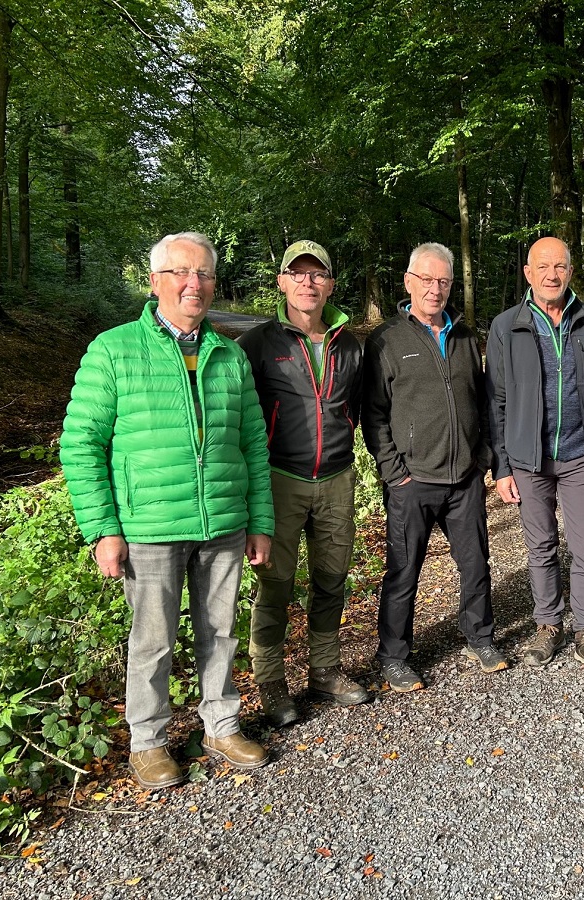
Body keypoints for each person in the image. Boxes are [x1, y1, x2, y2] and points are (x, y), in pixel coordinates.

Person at [60, 231, 274, 789]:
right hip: (149, 524)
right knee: (152, 640)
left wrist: (259, 520)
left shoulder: (228, 353)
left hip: (224, 519)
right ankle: (149, 741)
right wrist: (103, 528)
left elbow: (253, 441)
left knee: (220, 631)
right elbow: (82, 443)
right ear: (154, 281)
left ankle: (221, 724)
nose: (193, 284)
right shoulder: (113, 350)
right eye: (180, 272)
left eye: (203, 274)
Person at [361, 242, 504, 693]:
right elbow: (374, 413)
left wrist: (482, 455)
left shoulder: (463, 337)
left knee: (476, 562)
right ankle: (394, 655)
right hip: (413, 480)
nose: (435, 289)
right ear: (408, 282)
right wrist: (393, 470)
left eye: (443, 281)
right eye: (426, 279)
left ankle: (479, 636)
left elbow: (480, 400)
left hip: (464, 478)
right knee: (404, 570)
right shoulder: (386, 340)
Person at [237, 240, 368, 726]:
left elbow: (359, 406)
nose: (308, 282)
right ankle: (270, 682)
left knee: (331, 580)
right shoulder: (258, 344)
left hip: (336, 478)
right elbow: (240, 418)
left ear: (330, 284)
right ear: (282, 282)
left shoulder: (351, 345)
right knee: (276, 585)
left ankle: (325, 670)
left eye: (318, 275)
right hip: (279, 480)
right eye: (298, 273)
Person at [486, 236, 584, 680]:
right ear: (527, 273)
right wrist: (502, 465)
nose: (551, 275)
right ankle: (548, 624)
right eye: (542, 267)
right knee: (540, 546)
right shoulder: (507, 325)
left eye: (559, 266)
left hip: (583, 455)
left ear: (570, 271)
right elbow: (497, 400)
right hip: (529, 459)